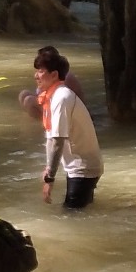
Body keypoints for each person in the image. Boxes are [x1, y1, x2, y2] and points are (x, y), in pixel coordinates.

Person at [33, 49, 103, 210]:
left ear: (54, 75)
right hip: (81, 166)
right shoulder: (54, 96)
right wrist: (48, 169)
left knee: (71, 217)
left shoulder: (61, 97)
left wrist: (50, 178)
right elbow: (51, 139)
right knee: (83, 213)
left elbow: (57, 141)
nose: (36, 76)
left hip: (83, 168)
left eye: (41, 71)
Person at [19, 45, 89, 116]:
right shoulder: (49, 74)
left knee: (29, 101)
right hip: (55, 105)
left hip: (67, 112)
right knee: (24, 94)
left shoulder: (64, 77)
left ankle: (44, 123)